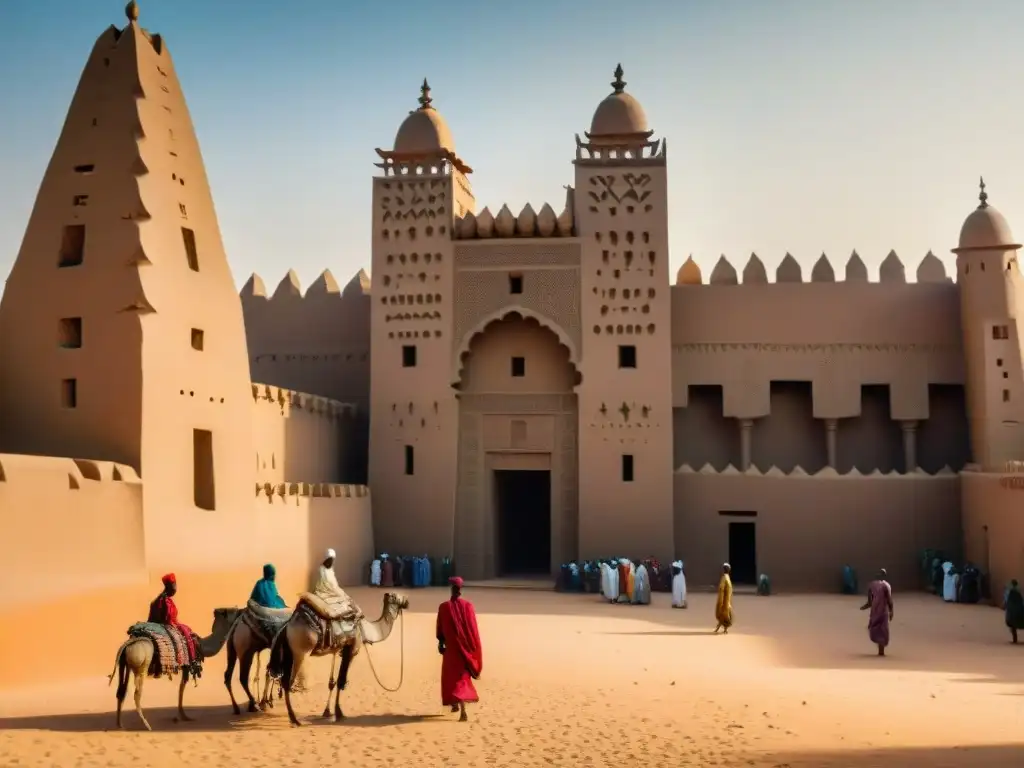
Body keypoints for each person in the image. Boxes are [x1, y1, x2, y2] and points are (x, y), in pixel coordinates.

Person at [436, 577, 483, 722]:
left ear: (451, 588)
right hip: (465, 652)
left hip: (451, 651)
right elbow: (473, 631)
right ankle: (459, 707)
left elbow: (440, 630)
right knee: (462, 679)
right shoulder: (468, 606)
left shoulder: (444, 607)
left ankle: (458, 707)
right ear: (461, 590)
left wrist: (441, 643)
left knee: (451, 678)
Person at [148, 573, 197, 659]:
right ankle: (190, 659)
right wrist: (174, 625)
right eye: (174, 585)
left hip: (159, 623)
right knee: (186, 631)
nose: (175, 588)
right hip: (165, 624)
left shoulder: (160, 598)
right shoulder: (165, 600)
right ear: (169, 586)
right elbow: (168, 617)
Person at [860, 568, 894, 656]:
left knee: (876, 628)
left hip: (875, 610)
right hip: (882, 610)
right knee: (882, 630)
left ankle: (880, 651)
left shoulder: (872, 585)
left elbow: (869, 601)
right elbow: (889, 600)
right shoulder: (886, 585)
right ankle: (881, 651)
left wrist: (865, 607)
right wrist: (891, 611)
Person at [714, 563, 733, 634]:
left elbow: (722, 589)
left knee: (724, 614)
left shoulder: (725, 577)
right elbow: (721, 589)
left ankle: (722, 628)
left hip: (726, 600)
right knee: (724, 614)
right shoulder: (726, 577)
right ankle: (722, 628)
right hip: (724, 600)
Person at [1005, 580, 1024, 644]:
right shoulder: (1018, 591)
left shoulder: (1009, 591)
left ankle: (1015, 639)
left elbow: (1007, 601)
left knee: (1012, 625)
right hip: (1020, 610)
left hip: (1013, 611)